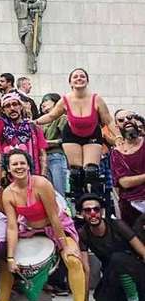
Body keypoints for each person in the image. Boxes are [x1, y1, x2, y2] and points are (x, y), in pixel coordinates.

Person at [0, 149, 89, 301]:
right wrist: (10, 257)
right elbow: (11, 227)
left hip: (57, 226)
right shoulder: (8, 193)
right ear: (8, 169)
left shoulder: (41, 183)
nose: (19, 167)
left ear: (29, 165)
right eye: (14, 164)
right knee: (5, 261)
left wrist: (64, 245)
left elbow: (54, 217)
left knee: (72, 260)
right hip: (29, 229)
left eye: (22, 163)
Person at [35, 68, 122, 204]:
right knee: (76, 173)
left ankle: (96, 203)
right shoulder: (65, 100)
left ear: (87, 80)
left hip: (92, 134)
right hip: (71, 135)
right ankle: (79, 206)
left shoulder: (96, 99)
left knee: (91, 171)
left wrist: (118, 137)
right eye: (75, 77)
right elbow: (52, 115)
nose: (79, 78)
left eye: (82, 76)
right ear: (70, 82)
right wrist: (35, 121)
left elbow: (108, 120)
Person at [77, 193, 145, 301]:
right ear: (81, 214)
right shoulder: (83, 234)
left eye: (96, 209)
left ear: (101, 211)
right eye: (87, 210)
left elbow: (142, 251)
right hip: (112, 274)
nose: (92, 213)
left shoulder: (117, 225)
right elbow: (85, 268)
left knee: (117, 258)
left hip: (135, 272)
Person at [0, 91, 48, 176]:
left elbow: (42, 154)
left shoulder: (33, 127)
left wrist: (43, 176)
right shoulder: (1, 128)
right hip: (9, 177)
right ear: (3, 110)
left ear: (20, 106)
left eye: (15, 104)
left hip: (33, 176)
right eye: (7, 106)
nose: (12, 108)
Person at [111, 115, 145, 232]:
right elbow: (124, 182)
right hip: (131, 206)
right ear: (117, 127)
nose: (126, 121)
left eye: (129, 118)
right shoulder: (116, 153)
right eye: (121, 120)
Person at [40, 93, 68, 196]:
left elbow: (65, 139)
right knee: (49, 192)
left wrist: (45, 143)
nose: (43, 103)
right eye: (42, 101)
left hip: (57, 156)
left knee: (59, 191)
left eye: (46, 100)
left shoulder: (62, 117)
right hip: (44, 158)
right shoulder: (42, 120)